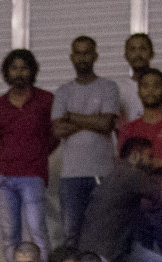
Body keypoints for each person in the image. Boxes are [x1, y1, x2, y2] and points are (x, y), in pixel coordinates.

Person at [52, 37, 122, 248]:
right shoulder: (63, 91)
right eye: (78, 53)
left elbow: (106, 124)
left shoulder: (108, 87)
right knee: (72, 234)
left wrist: (71, 116)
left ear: (95, 56)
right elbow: (58, 129)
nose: (83, 58)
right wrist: (93, 118)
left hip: (102, 173)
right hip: (70, 175)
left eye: (87, 53)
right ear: (72, 57)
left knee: (104, 232)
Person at [79, 139, 162, 262]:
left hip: (111, 250)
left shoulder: (116, 174)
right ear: (135, 156)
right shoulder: (132, 174)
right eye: (149, 157)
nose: (152, 162)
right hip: (106, 254)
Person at [0, 49, 56, 262]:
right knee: (10, 237)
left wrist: (38, 154)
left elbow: (54, 135)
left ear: (33, 71)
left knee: (38, 233)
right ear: (7, 73)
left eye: (24, 68)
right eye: (14, 68)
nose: (19, 73)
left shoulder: (46, 100)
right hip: (3, 178)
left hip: (33, 175)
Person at [119, 70, 162, 170]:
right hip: (136, 183)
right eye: (145, 86)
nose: (150, 90)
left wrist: (153, 163)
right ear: (139, 92)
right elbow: (123, 165)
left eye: (156, 86)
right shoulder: (129, 129)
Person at [116, 32, 154, 123]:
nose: (138, 54)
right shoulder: (119, 88)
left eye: (143, 49)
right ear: (126, 56)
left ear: (152, 54)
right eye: (132, 49)